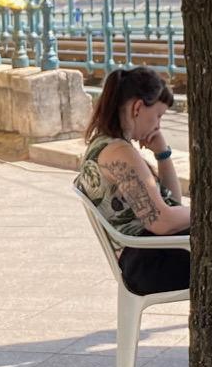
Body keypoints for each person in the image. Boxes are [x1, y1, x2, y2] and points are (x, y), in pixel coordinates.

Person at [77, 66, 190, 295]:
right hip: (149, 264)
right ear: (138, 107)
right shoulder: (120, 153)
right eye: (158, 116)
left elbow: (171, 204)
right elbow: (162, 222)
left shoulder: (105, 144)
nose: (158, 126)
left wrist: (162, 154)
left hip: (148, 254)